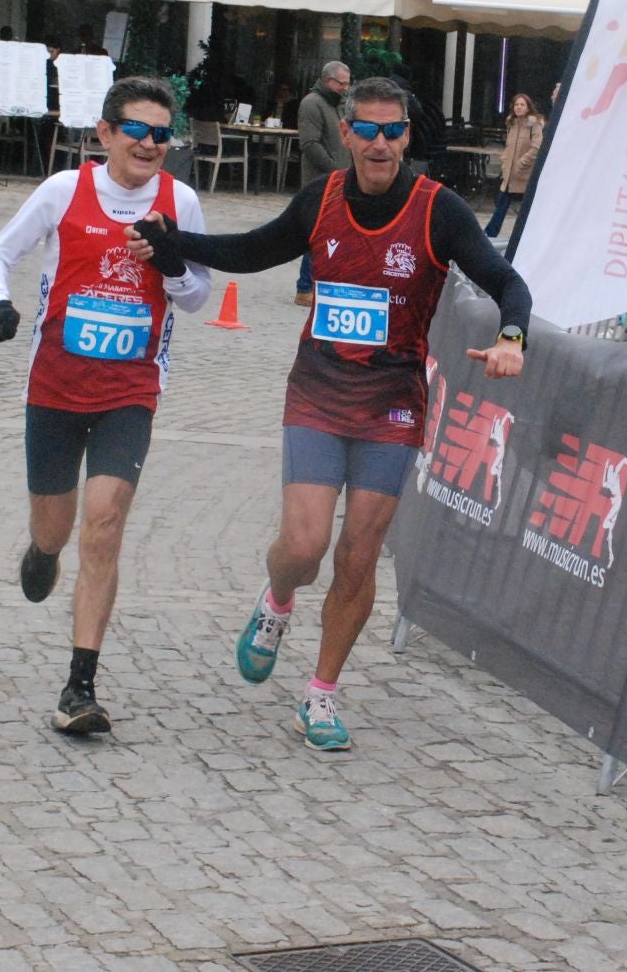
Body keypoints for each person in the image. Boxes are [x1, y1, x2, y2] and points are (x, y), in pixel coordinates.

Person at [130, 77, 529, 752]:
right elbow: (257, 248)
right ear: (345, 134)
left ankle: (320, 693)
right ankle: (277, 600)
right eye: (367, 130)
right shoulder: (323, 198)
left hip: (394, 403)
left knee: (358, 554)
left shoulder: (439, 210)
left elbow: (507, 282)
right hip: (318, 390)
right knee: (305, 546)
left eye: (393, 131)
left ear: (407, 135)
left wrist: (514, 340)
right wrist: (181, 245)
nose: (380, 144)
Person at [0, 76, 213, 735]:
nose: (149, 144)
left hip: (129, 393)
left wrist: (168, 262)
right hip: (53, 387)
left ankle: (79, 685)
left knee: (103, 525)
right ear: (105, 133)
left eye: (162, 134)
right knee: (56, 529)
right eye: (135, 130)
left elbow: (198, 295)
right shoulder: (63, 190)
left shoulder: (180, 201)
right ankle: (41, 551)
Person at [293, 60, 352, 306]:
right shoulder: (312, 103)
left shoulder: (338, 105)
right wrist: (335, 171)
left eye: (348, 84)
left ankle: (324, 283)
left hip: (340, 180)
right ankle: (305, 287)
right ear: (328, 80)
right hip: (321, 182)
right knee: (318, 232)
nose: (346, 88)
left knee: (334, 232)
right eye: (342, 83)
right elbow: (310, 144)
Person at [484, 92, 544, 239]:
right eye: (516, 104)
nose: (519, 107)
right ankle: (490, 232)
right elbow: (508, 146)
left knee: (526, 207)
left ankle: (527, 234)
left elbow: (536, 147)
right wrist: (505, 161)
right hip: (510, 173)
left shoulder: (534, 125)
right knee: (502, 203)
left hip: (524, 174)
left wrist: (522, 162)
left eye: (522, 104)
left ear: (528, 107)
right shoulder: (512, 124)